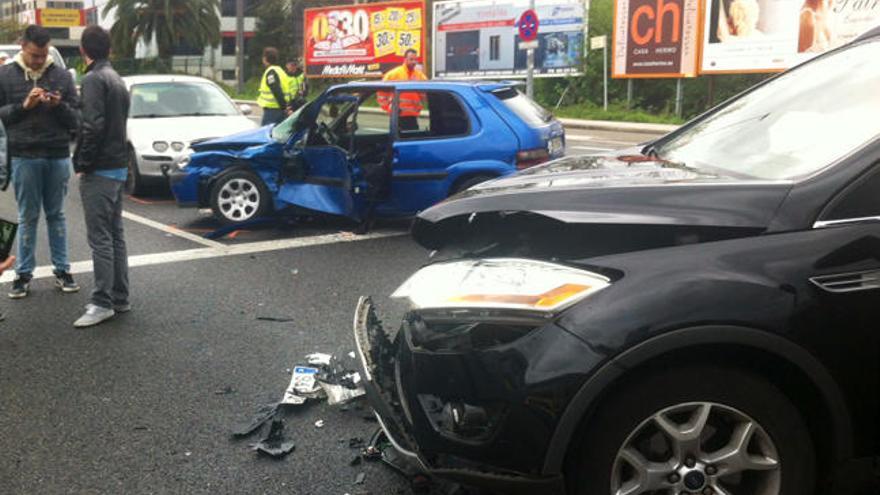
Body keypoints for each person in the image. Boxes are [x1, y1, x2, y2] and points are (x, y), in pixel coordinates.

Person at [0, 25, 80, 300]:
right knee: (27, 217)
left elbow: (76, 120)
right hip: (24, 155)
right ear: (23, 46)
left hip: (57, 154)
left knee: (56, 215)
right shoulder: (5, 75)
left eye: (43, 54)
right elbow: (1, 117)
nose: (38, 60)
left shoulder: (61, 75)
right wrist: (24, 106)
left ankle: (62, 270)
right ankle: (23, 274)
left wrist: (59, 105)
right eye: (34, 54)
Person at [72, 26, 130, 328]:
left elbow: (92, 126)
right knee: (115, 235)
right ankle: (120, 297)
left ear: (84, 50)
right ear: (109, 49)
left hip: (101, 169)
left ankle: (102, 302)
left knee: (101, 238)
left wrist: (82, 161)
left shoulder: (94, 79)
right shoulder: (116, 78)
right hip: (118, 165)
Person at [378, 49, 427, 132]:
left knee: (412, 140)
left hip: (412, 117)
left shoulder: (419, 75)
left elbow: (425, 94)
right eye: (411, 59)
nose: (414, 62)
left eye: (415, 59)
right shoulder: (393, 74)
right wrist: (389, 108)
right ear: (405, 60)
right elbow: (381, 93)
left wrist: (420, 107)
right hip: (397, 117)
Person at [257, 47, 290, 126]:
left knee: (266, 135)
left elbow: (276, 90)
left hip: (272, 111)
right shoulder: (280, 71)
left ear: (265, 59)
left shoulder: (271, 72)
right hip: (280, 109)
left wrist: (284, 107)